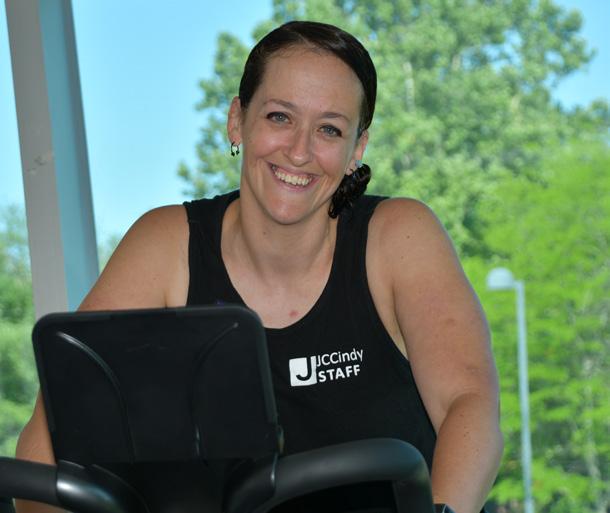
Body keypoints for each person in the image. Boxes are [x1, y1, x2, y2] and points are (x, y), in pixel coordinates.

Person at [16, 21, 502, 513]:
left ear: (356, 149)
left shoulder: (399, 236)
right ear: (238, 121)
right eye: (279, 117)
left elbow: (468, 404)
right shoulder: (166, 245)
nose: (299, 150)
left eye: (329, 129)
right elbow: (51, 442)